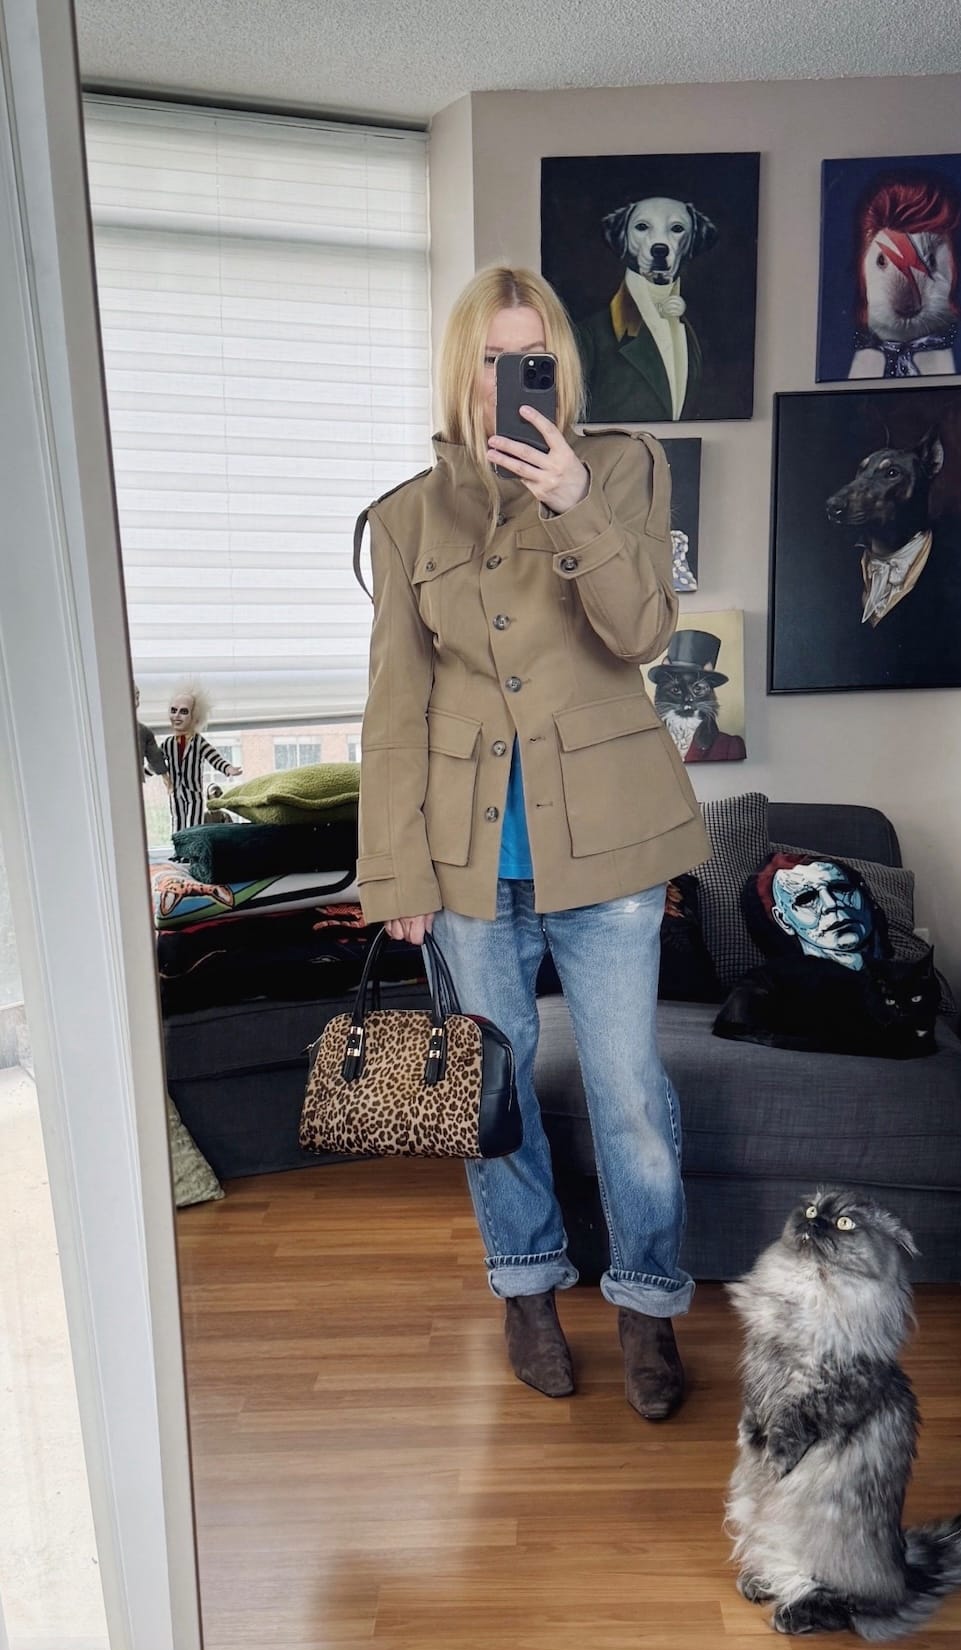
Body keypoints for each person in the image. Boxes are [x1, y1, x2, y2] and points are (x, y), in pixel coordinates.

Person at [355, 267, 710, 1420]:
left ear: (557, 366)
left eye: (533, 357)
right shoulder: (407, 516)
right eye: (491, 358)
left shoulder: (622, 468)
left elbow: (641, 631)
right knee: (489, 1090)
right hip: (465, 855)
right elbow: (394, 707)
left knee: (629, 1092)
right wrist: (395, 868)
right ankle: (526, 1291)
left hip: (604, 843)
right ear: (461, 370)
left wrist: (572, 503)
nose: (511, 378)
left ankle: (647, 1305)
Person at [161, 680, 241, 834]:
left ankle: (193, 847)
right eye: (174, 710)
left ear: (195, 719)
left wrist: (227, 768)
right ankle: (179, 847)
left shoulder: (198, 742)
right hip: (175, 793)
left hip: (193, 794)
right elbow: (156, 762)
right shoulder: (168, 744)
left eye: (184, 712)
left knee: (193, 826)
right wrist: (143, 773)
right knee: (177, 823)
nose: (177, 715)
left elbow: (214, 758)